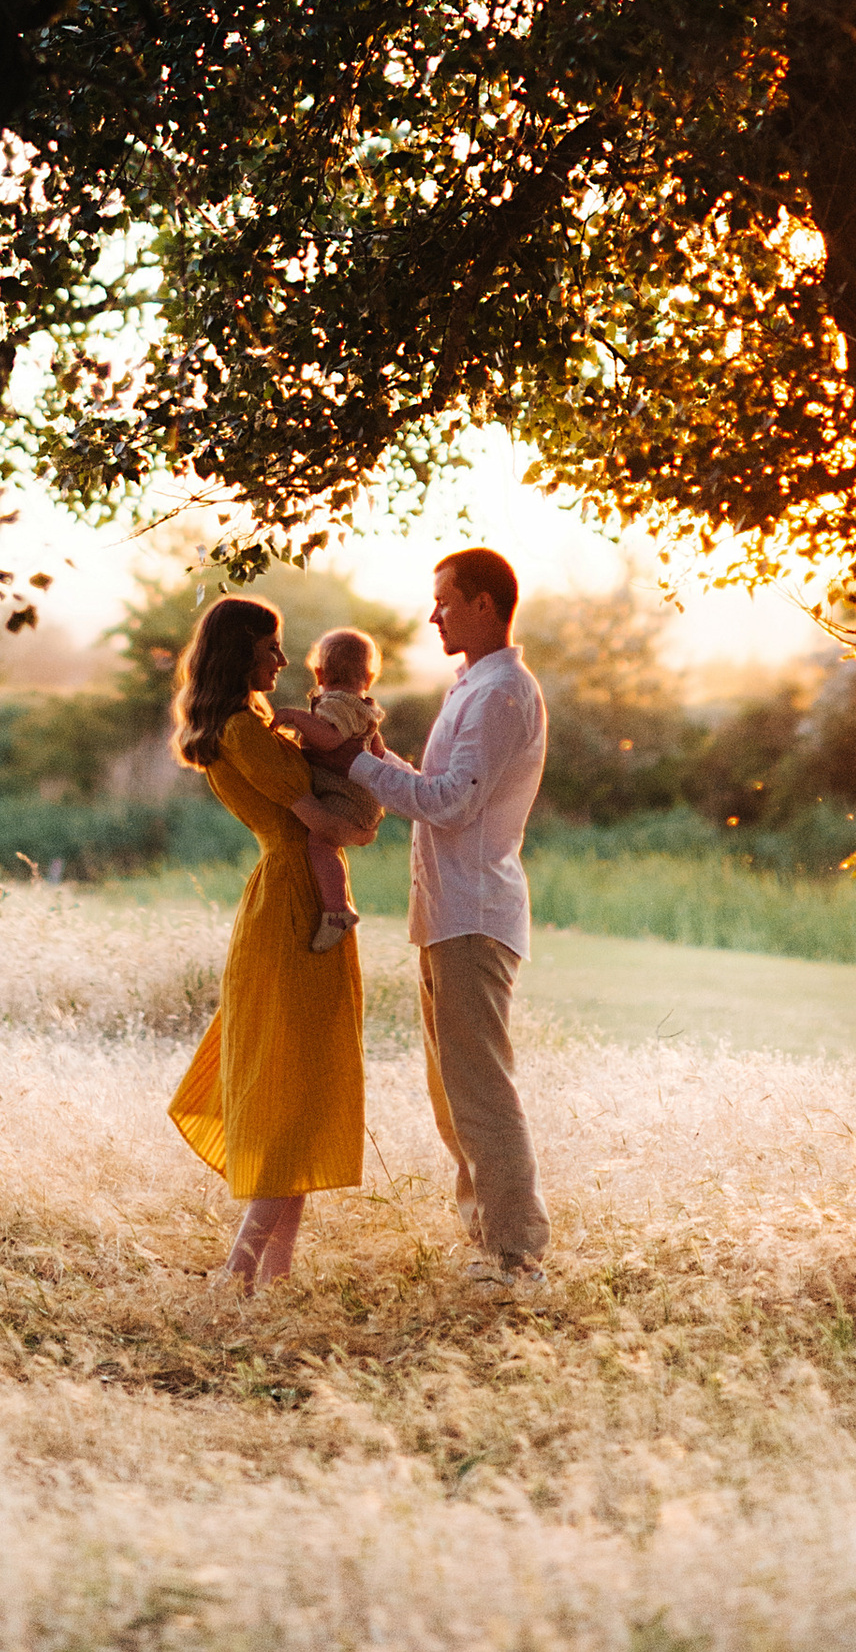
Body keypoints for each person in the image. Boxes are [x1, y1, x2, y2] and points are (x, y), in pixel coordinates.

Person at [347, 546, 552, 1289]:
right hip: (446, 914)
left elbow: (453, 804)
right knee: (453, 1094)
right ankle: (491, 1243)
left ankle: (516, 1254)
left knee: (479, 1089)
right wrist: (373, 754)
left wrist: (354, 767)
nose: (432, 613)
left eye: (445, 599)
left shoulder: (501, 695)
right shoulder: (473, 687)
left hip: (473, 914)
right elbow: (439, 786)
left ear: (487, 604)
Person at [165, 595, 378, 1288]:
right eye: (271, 648)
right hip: (293, 895)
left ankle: (274, 1276)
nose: (284, 662)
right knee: (291, 1089)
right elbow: (327, 821)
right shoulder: (244, 731)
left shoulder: (251, 723)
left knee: (305, 1084)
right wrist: (367, 820)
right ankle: (239, 1267)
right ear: (241, 654)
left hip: (294, 889)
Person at [271, 624, 389, 954]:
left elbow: (330, 738)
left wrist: (296, 717)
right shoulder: (362, 706)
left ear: (320, 672)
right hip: (362, 801)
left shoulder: (334, 703)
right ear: (368, 677)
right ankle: (337, 904)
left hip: (348, 802)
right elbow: (377, 752)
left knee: (320, 843)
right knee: (327, 847)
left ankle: (337, 911)